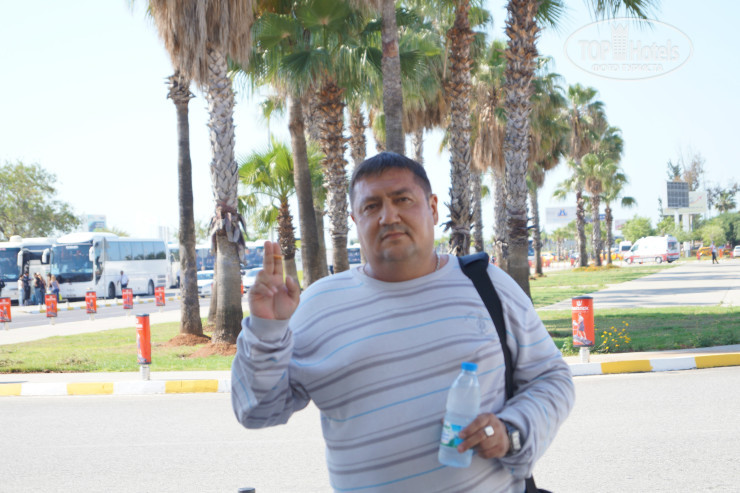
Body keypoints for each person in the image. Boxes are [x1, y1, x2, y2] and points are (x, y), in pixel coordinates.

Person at [231, 152, 575, 492]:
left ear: (433, 208)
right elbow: (257, 412)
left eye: (402, 199)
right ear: (354, 220)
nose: (388, 216)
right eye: (371, 206)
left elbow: (551, 378)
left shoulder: (486, 284)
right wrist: (266, 330)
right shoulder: (318, 306)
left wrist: (511, 432)